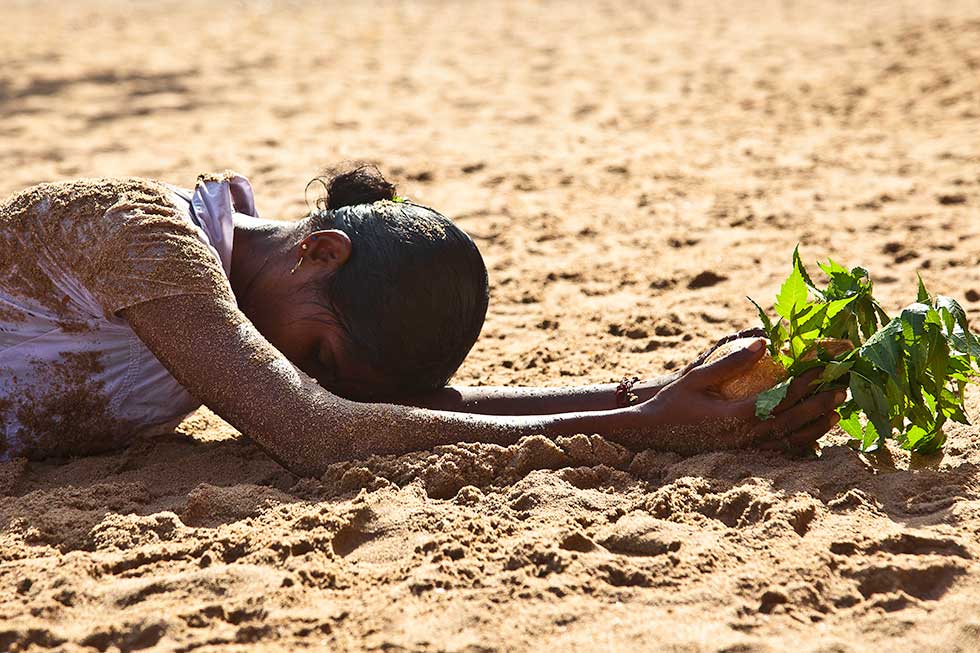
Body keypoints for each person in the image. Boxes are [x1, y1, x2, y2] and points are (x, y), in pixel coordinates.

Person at [0, 165, 844, 476]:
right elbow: (317, 430)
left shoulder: (253, 291)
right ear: (320, 252)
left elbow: (396, 415)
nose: (312, 372)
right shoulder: (146, 240)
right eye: (320, 351)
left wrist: (661, 389)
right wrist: (639, 427)